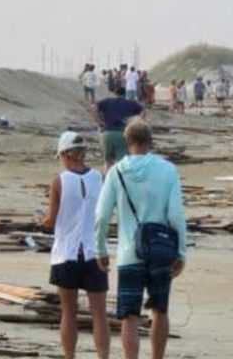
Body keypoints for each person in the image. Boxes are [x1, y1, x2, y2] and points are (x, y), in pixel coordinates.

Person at [94, 121, 187, 359]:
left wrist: (101, 249)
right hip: (161, 251)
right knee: (159, 310)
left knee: (129, 316)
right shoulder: (167, 170)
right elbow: (175, 215)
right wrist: (181, 251)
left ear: (127, 142)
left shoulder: (116, 172)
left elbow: (102, 216)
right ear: (150, 141)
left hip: (128, 252)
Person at [40, 132, 110, 359]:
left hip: (67, 252)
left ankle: (70, 356)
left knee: (69, 312)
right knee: (99, 313)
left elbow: (51, 220)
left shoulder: (59, 181)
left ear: (65, 155)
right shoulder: (99, 178)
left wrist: (43, 221)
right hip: (94, 251)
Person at [92, 87, 145, 170]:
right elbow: (143, 110)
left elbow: (94, 107)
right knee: (123, 162)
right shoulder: (131, 103)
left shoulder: (107, 101)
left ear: (114, 93)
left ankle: (107, 180)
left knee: (108, 161)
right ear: (125, 94)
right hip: (123, 133)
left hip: (107, 133)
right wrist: (138, 123)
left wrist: (98, 121)